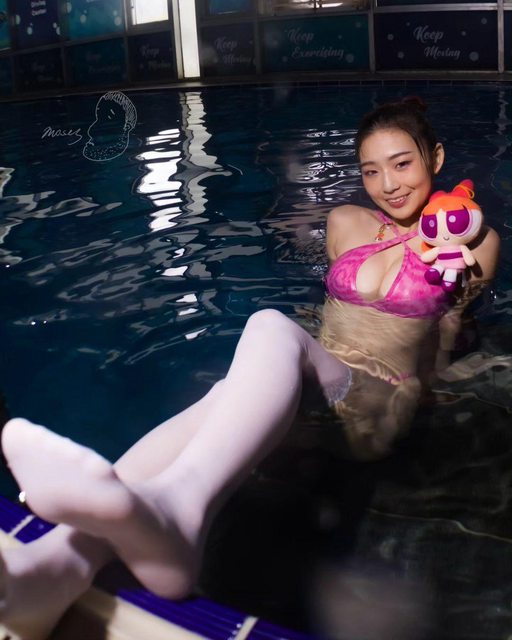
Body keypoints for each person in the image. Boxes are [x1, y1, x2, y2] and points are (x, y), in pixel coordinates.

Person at [0, 97, 500, 640]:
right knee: (230, 390)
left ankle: (180, 510)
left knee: (266, 326)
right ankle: (54, 568)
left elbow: (450, 331)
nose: (388, 184)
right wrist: (278, 364)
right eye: (371, 170)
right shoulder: (346, 221)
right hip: (321, 381)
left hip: (379, 399)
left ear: (435, 158)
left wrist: (437, 391)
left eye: (402, 164)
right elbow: (333, 313)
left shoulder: (472, 243)